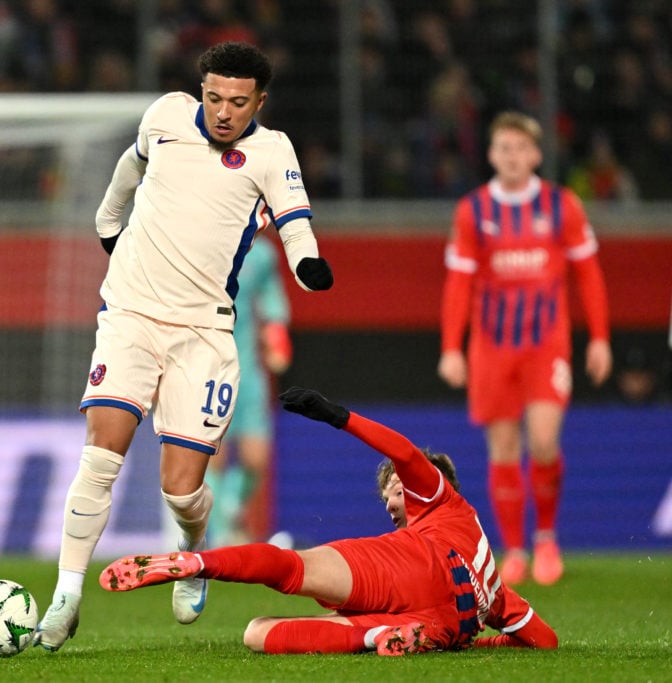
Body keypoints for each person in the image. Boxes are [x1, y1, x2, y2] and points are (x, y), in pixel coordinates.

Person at [35, 41, 334, 652]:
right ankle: (65, 595)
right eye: (215, 97)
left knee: (181, 488)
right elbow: (128, 167)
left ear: (260, 101)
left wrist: (308, 265)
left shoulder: (272, 152)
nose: (224, 112)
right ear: (202, 91)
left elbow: (295, 222)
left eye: (238, 102)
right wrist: (106, 222)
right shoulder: (165, 117)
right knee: (103, 453)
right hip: (132, 315)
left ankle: (190, 548)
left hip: (203, 332)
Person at [100, 387, 559, 656]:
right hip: (443, 624)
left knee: (292, 566)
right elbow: (544, 640)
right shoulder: (499, 592)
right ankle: (378, 635)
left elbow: (403, 452)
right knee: (257, 632)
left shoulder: (438, 494)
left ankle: (198, 563)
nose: (391, 506)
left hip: (413, 567)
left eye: (394, 493)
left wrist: (336, 415)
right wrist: (478, 643)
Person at [436, 111, 612, 586]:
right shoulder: (473, 210)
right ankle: (513, 549)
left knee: (544, 441)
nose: (513, 157)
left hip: (546, 345)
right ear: (491, 155)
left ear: (536, 154)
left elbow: (588, 274)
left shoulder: (562, 206)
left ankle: (547, 538)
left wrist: (599, 338)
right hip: (492, 348)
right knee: (504, 448)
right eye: (503, 149)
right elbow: (458, 283)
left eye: (521, 149)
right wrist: (452, 347)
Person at [207, 233, 292, 547]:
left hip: (249, 371)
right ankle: (221, 536)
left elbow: (272, 301)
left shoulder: (261, 254)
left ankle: (230, 506)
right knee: (211, 456)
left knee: (256, 458)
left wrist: (277, 336)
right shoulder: (201, 242)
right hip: (208, 367)